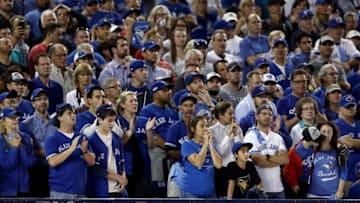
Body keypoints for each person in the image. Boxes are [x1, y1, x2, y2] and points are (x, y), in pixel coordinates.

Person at [44, 103, 95, 198]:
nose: (73, 115)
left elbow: (92, 162)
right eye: (69, 113)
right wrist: (71, 149)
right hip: (61, 192)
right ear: (60, 117)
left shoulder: (81, 137)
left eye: (74, 113)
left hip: (81, 191)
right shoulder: (52, 138)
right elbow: (52, 161)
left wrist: (85, 151)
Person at [244, 104, 289, 199]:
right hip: (260, 190)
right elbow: (258, 161)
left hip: (278, 188)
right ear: (256, 116)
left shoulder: (277, 137)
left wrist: (268, 158)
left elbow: (285, 159)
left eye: (270, 114)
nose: (267, 116)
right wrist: (277, 160)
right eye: (264, 114)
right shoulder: (250, 136)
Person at [117, 91, 156, 197]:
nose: (135, 103)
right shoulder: (118, 121)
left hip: (142, 167)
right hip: (125, 168)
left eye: (136, 101)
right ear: (122, 104)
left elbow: (152, 146)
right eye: (131, 101)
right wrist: (129, 132)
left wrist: (148, 131)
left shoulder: (144, 121)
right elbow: (118, 144)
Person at [87, 104, 128, 197]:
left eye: (114, 120)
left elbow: (122, 161)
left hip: (118, 188)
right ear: (100, 120)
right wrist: (118, 177)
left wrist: (123, 177)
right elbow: (94, 168)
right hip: (101, 188)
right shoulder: (91, 139)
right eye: (109, 121)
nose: (112, 124)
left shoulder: (116, 138)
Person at [23, 88, 57, 197]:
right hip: (36, 170)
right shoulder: (26, 124)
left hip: (54, 169)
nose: (43, 101)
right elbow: (25, 149)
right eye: (38, 99)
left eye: (45, 99)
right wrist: (40, 152)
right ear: (33, 103)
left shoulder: (56, 122)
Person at [179, 116, 222, 198]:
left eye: (207, 126)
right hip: (191, 193)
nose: (205, 129)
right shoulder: (187, 145)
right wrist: (205, 144)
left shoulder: (211, 145)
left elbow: (219, 165)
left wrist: (210, 144)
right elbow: (198, 163)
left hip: (210, 193)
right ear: (193, 129)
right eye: (202, 126)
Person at [209, 101, 243, 197]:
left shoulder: (237, 128)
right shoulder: (212, 131)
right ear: (220, 115)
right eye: (230, 113)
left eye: (233, 113)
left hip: (238, 170)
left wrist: (235, 134)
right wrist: (228, 135)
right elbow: (219, 152)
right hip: (223, 171)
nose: (232, 116)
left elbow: (240, 150)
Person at [0, 107, 35, 196]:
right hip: (6, 189)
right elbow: (7, 165)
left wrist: (20, 146)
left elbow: (29, 163)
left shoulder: (26, 138)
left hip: (24, 188)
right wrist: (14, 148)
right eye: (11, 118)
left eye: (16, 118)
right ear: (3, 121)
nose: (15, 120)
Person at [282, 126, 325, 198]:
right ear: (309, 140)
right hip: (294, 180)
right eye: (317, 140)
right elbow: (288, 171)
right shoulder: (294, 153)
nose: (319, 142)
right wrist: (294, 184)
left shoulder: (313, 146)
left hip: (305, 179)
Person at [307, 122, 346, 199]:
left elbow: (343, 172)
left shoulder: (338, 150)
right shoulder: (312, 150)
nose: (327, 135)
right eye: (324, 132)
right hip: (313, 194)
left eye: (329, 132)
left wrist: (340, 191)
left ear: (333, 134)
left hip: (332, 195)